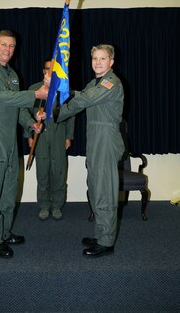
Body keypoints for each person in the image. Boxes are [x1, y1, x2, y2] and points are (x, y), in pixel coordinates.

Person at [0, 29, 48, 258]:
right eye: (4, 44)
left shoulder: (12, 75)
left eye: (12, 46)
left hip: (8, 138)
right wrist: (36, 94)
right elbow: (2, 97)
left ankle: (3, 232)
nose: (8, 49)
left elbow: (18, 107)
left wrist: (31, 124)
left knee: (8, 189)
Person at [57, 44, 125, 257]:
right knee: (95, 188)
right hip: (95, 141)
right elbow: (82, 95)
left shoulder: (110, 83)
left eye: (102, 58)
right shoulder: (93, 83)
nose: (97, 62)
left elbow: (84, 99)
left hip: (106, 140)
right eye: (94, 58)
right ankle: (100, 233)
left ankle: (106, 242)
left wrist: (59, 109)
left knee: (105, 191)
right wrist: (58, 109)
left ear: (111, 62)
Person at [26, 59, 75, 221]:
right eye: (48, 69)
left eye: (54, 69)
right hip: (40, 136)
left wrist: (69, 136)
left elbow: (70, 116)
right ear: (43, 71)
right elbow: (25, 113)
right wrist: (29, 135)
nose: (50, 72)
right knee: (42, 172)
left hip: (58, 134)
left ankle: (57, 206)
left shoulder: (63, 90)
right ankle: (44, 206)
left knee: (58, 172)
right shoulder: (34, 89)